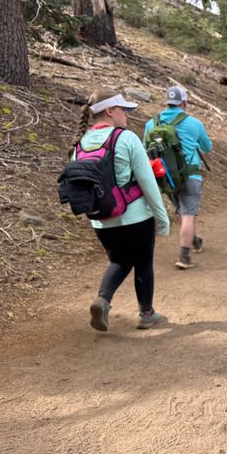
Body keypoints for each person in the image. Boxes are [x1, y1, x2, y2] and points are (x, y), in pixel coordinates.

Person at [74, 89, 171, 331]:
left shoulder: (81, 142)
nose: (126, 114)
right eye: (123, 109)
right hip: (136, 216)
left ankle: (103, 300)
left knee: (119, 261)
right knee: (143, 263)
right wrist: (162, 218)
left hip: (101, 220)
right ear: (109, 111)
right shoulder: (126, 138)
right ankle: (147, 314)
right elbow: (148, 182)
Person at [144, 86, 212, 270]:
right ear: (184, 103)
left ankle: (195, 241)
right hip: (190, 175)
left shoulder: (152, 124)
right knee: (188, 214)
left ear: (167, 102)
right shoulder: (194, 123)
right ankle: (184, 256)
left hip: (166, 178)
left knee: (183, 212)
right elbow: (207, 147)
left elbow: (145, 150)